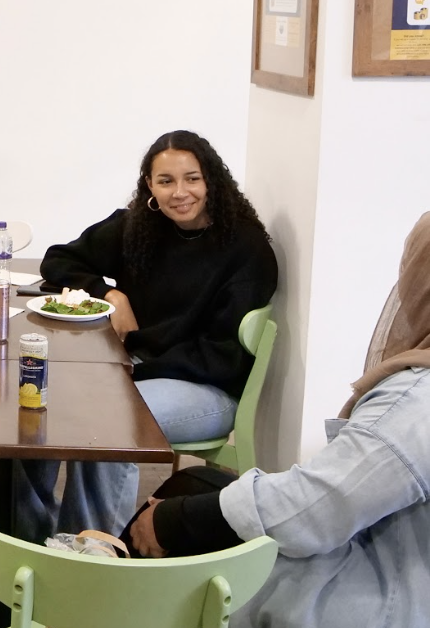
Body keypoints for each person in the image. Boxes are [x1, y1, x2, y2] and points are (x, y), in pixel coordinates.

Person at [126, 211, 430, 628]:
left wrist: (173, 521)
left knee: (170, 524)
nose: (180, 192)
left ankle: (106, 587)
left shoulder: (416, 404)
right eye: (165, 180)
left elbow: (318, 508)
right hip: (390, 557)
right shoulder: (144, 232)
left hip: (380, 598)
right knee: (193, 484)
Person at [16, 130, 278, 542]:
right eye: (166, 181)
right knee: (38, 404)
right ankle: (27, 538)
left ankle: (91, 552)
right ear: (149, 186)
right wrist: (111, 294)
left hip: (205, 386)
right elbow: (59, 259)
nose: (180, 193)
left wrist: (134, 372)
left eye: (192, 178)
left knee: (107, 420)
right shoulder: (139, 225)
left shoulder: (244, 248)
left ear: (212, 180)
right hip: (138, 369)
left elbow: (219, 355)